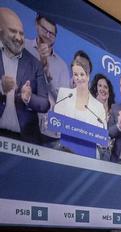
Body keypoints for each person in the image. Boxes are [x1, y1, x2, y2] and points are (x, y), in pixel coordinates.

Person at [0, 7, 49, 143]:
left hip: (26, 141)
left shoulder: (34, 64)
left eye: (21, 33)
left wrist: (28, 98)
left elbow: (45, 104)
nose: (19, 38)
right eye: (13, 31)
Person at [24, 14, 68, 143]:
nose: (48, 36)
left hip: (49, 131)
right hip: (21, 121)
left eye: (52, 34)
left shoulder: (62, 65)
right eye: (45, 30)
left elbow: (63, 100)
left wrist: (48, 76)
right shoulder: (23, 46)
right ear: (37, 25)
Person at [53, 59, 105, 128]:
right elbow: (56, 121)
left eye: (82, 74)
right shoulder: (64, 94)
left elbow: (101, 132)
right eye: (75, 74)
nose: (79, 78)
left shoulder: (99, 107)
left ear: (88, 76)